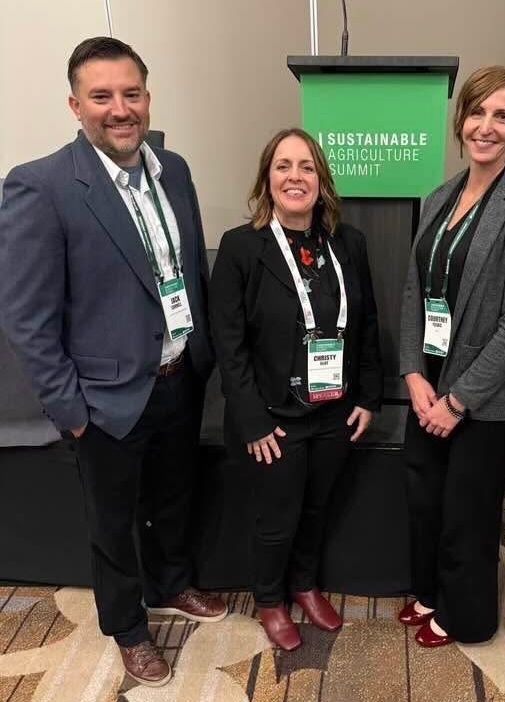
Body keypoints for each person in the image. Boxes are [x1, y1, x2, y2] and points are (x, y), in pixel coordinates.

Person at [0, 37, 227, 687]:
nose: (119, 108)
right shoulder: (41, 186)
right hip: (103, 401)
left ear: (147, 99)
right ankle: (128, 628)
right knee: (113, 524)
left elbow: (186, 271)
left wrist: (201, 357)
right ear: (76, 105)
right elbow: (26, 318)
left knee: (174, 500)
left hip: (179, 378)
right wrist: (71, 413)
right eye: (102, 96)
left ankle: (173, 584)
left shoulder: (174, 169)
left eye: (131, 94)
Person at [209, 128, 382, 651]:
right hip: (272, 416)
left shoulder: (348, 244)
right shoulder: (242, 248)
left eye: (306, 167)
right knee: (277, 518)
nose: (295, 176)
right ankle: (269, 600)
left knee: (315, 508)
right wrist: (252, 418)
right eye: (283, 166)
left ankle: (304, 585)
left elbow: (367, 325)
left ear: (320, 180)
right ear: (268, 178)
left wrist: (369, 396)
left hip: (334, 410)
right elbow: (229, 344)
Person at [397, 66, 505, 648]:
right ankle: (431, 590)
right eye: (477, 112)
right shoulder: (440, 196)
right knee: (425, 499)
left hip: (479, 400)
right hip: (428, 383)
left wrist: (457, 400)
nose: (485, 127)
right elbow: (414, 290)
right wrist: (413, 372)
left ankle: (465, 616)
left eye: (502, 116)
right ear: (460, 120)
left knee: (467, 513)